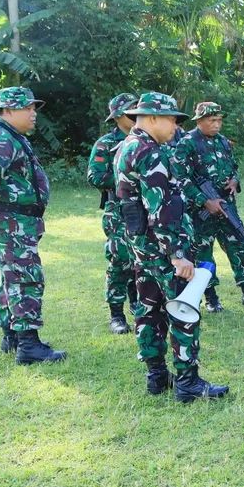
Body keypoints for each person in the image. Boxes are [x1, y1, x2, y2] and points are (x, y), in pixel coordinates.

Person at [115, 92, 228, 400]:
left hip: (142, 247)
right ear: (151, 118)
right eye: (171, 119)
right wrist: (178, 255)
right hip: (164, 249)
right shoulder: (150, 152)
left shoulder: (127, 146)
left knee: (148, 309)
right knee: (183, 309)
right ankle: (188, 382)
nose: (176, 126)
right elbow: (161, 208)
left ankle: (156, 375)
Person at [0, 86, 66, 364]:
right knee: (25, 278)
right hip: (9, 222)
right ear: (9, 110)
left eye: (34, 108)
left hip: (14, 222)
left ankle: (11, 336)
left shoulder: (11, 136)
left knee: (10, 278)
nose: (34, 113)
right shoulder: (0, 137)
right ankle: (29, 346)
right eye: (28, 108)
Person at [171, 102, 244, 313]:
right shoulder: (187, 144)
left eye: (219, 120)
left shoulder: (223, 142)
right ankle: (211, 298)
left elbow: (234, 167)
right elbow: (180, 178)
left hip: (226, 206)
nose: (216, 124)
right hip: (201, 212)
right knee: (203, 254)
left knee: (240, 246)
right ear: (199, 121)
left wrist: (234, 181)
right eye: (211, 120)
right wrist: (204, 201)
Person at [86, 92, 138, 334]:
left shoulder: (147, 139)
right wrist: (125, 176)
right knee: (120, 261)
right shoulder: (106, 144)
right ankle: (116, 315)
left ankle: (141, 308)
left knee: (143, 259)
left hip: (145, 209)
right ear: (118, 116)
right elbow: (94, 176)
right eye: (131, 109)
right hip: (117, 210)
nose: (136, 113)